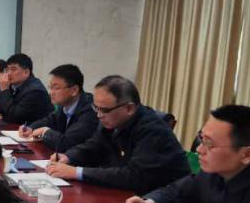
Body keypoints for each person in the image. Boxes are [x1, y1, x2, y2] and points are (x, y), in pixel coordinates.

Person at [46, 75, 189, 193]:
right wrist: (69, 157)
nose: (99, 115)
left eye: (104, 110)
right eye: (96, 108)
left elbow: (133, 176)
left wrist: (76, 172)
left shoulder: (152, 130)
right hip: (128, 194)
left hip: (161, 202)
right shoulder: (113, 120)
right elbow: (94, 145)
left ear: (129, 108)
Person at [19, 64, 98, 152]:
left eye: (56, 88)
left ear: (74, 90)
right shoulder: (65, 105)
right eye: (50, 87)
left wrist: (45, 132)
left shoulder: (90, 110)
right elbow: (50, 120)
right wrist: (30, 128)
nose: (51, 92)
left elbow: (66, 143)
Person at [0, 53, 53, 125]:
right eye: (7, 70)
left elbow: (15, 116)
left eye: (13, 69)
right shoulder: (17, 86)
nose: (9, 73)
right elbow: (11, 106)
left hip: (34, 130)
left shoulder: (35, 91)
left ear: (26, 72)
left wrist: (5, 90)